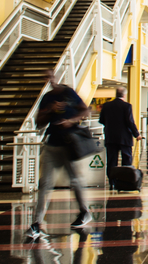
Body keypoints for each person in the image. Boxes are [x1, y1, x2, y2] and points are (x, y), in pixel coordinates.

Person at [28, 71, 91, 239]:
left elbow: (85, 111)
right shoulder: (47, 98)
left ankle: (85, 212)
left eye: (51, 76)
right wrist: (50, 110)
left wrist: (70, 121)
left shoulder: (68, 93)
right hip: (52, 145)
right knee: (45, 183)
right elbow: (39, 121)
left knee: (75, 180)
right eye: (46, 77)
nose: (50, 80)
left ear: (56, 76)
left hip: (69, 144)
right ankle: (36, 223)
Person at [99, 86, 141, 188]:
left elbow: (101, 120)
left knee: (111, 161)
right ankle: (125, 182)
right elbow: (130, 122)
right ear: (124, 95)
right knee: (126, 160)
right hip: (124, 138)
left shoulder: (106, 106)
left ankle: (112, 182)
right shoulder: (127, 106)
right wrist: (137, 134)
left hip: (111, 137)